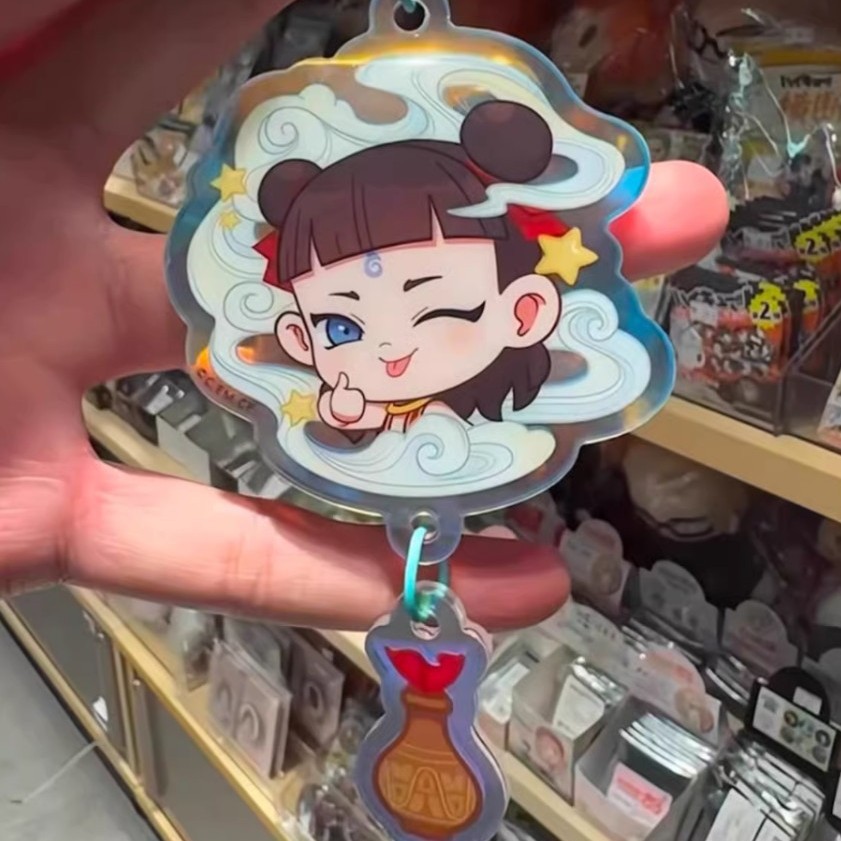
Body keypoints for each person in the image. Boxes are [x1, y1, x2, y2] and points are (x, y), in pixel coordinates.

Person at [0, 0, 728, 632]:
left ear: (526, 309)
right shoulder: (334, 413)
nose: (391, 351)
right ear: (298, 336)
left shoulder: (515, 420)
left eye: (440, 308)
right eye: (341, 329)